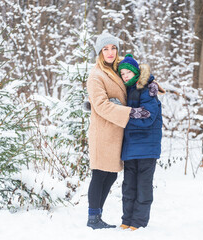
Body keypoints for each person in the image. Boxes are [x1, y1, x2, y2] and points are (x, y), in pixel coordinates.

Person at [86, 33, 151, 230]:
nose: (110, 52)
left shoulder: (121, 65)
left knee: (112, 174)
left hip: (119, 132)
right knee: (99, 173)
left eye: (113, 48)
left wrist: (154, 86)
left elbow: (141, 76)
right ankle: (93, 217)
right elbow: (101, 105)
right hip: (104, 131)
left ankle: (97, 215)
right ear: (100, 52)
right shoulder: (96, 75)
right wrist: (129, 111)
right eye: (105, 49)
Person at [117, 54, 165, 231]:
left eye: (128, 72)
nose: (125, 76)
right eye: (122, 74)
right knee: (128, 186)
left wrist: (123, 112)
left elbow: (148, 115)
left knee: (143, 186)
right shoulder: (127, 90)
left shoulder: (148, 90)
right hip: (131, 147)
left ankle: (138, 222)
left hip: (147, 147)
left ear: (136, 72)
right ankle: (127, 219)